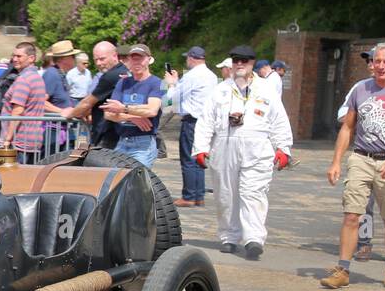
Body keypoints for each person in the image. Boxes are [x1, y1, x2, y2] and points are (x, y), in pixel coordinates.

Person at [320, 42, 385, 289]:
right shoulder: (360, 90)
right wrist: (336, 162)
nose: (381, 66)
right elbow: (348, 127)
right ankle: (343, 269)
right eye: (377, 61)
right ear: (372, 63)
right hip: (361, 158)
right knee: (352, 215)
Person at [193, 45, 294, 260]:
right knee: (225, 194)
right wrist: (200, 147)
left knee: (253, 193)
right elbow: (205, 121)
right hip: (225, 146)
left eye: (245, 61)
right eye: (236, 60)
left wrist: (283, 148)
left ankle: (254, 238)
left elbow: (279, 120)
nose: (240, 64)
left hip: (257, 148)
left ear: (252, 63)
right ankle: (229, 236)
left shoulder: (266, 89)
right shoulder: (220, 90)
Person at [164, 46, 219, 207]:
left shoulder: (191, 76)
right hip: (205, 120)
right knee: (198, 157)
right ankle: (198, 195)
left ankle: (188, 196)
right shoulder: (211, 76)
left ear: (191, 58)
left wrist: (171, 84)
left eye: (187, 58)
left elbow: (173, 98)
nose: (186, 61)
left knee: (188, 158)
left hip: (191, 120)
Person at [101, 44, 164, 167]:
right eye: (133, 59)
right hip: (122, 141)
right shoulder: (123, 82)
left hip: (143, 143)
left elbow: (152, 110)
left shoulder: (157, 83)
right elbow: (108, 113)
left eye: (140, 58)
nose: (136, 62)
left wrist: (123, 109)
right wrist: (132, 118)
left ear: (149, 60)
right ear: (128, 61)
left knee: (137, 182)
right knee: (113, 181)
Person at [68, 40, 128, 150]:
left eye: (102, 59)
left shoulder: (110, 76)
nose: (99, 63)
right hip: (119, 133)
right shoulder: (125, 71)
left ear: (114, 56)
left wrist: (70, 113)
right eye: (96, 60)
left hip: (107, 135)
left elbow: (87, 102)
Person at [0, 42, 48, 162]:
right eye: (13, 55)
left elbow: (18, 110)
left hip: (19, 141)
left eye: (19, 56)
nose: (14, 59)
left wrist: (7, 139)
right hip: (32, 139)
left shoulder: (24, 79)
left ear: (31, 58)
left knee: (12, 179)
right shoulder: (37, 78)